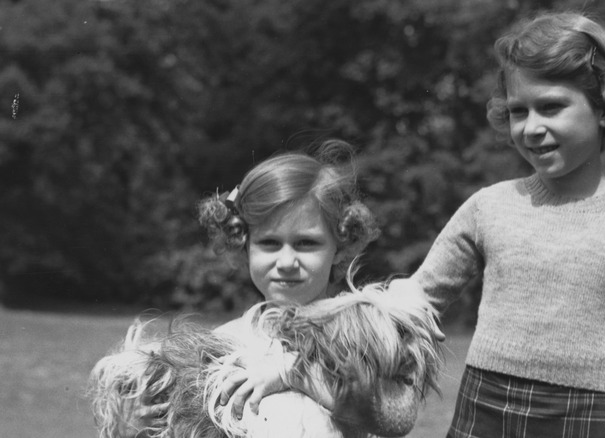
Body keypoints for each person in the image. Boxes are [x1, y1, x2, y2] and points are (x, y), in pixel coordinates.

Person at [395, 11, 605, 438]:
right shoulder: (487, 207)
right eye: (518, 111)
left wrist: (593, 383)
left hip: (596, 415)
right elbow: (414, 301)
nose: (531, 128)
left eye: (550, 106)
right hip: (485, 403)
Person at [91, 139, 404, 437]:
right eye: (269, 243)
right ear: (243, 245)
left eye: (306, 243)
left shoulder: (361, 337)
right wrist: (132, 428)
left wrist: (294, 374)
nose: (286, 261)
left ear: (341, 244)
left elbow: (389, 415)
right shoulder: (223, 345)